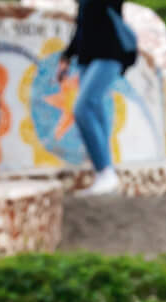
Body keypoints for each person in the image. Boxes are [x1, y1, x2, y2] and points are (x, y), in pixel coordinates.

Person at [57, 0, 137, 197]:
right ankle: (105, 175)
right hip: (87, 60)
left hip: (109, 55)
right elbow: (82, 27)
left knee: (83, 108)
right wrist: (66, 57)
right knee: (97, 110)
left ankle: (105, 172)